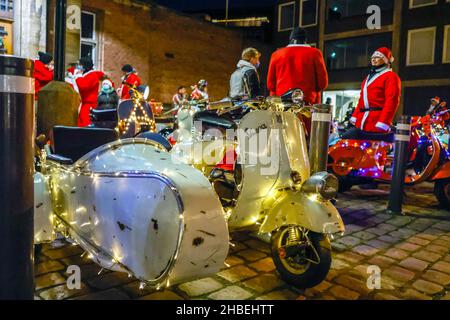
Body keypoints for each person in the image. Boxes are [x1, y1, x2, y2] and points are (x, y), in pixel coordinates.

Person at [342, 47, 401, 140]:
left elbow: (392, 101)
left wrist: (383, 122)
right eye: (372, 57)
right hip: (362, 122)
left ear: (386, 60)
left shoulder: (391, 77)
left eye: (377, 57)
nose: (373, 59)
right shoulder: (368, 78)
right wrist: (354, 116)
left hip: (376, 122)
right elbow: (361, 100)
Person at [267, 28, 328, 105]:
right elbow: (323, 84)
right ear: (305, 40)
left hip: (282, 102)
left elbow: (271, 85)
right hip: (307, 102)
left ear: (291, 39)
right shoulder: (315, 53)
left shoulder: (276, 54)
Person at [75, 57, 106, 127]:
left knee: (86, 125)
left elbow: (83, 86)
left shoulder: (92, 76)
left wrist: (78, 76)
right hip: (85, 105)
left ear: (84, 66)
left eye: (79, 64)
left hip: (89, 106)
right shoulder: (88, 75)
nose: (78, 66)